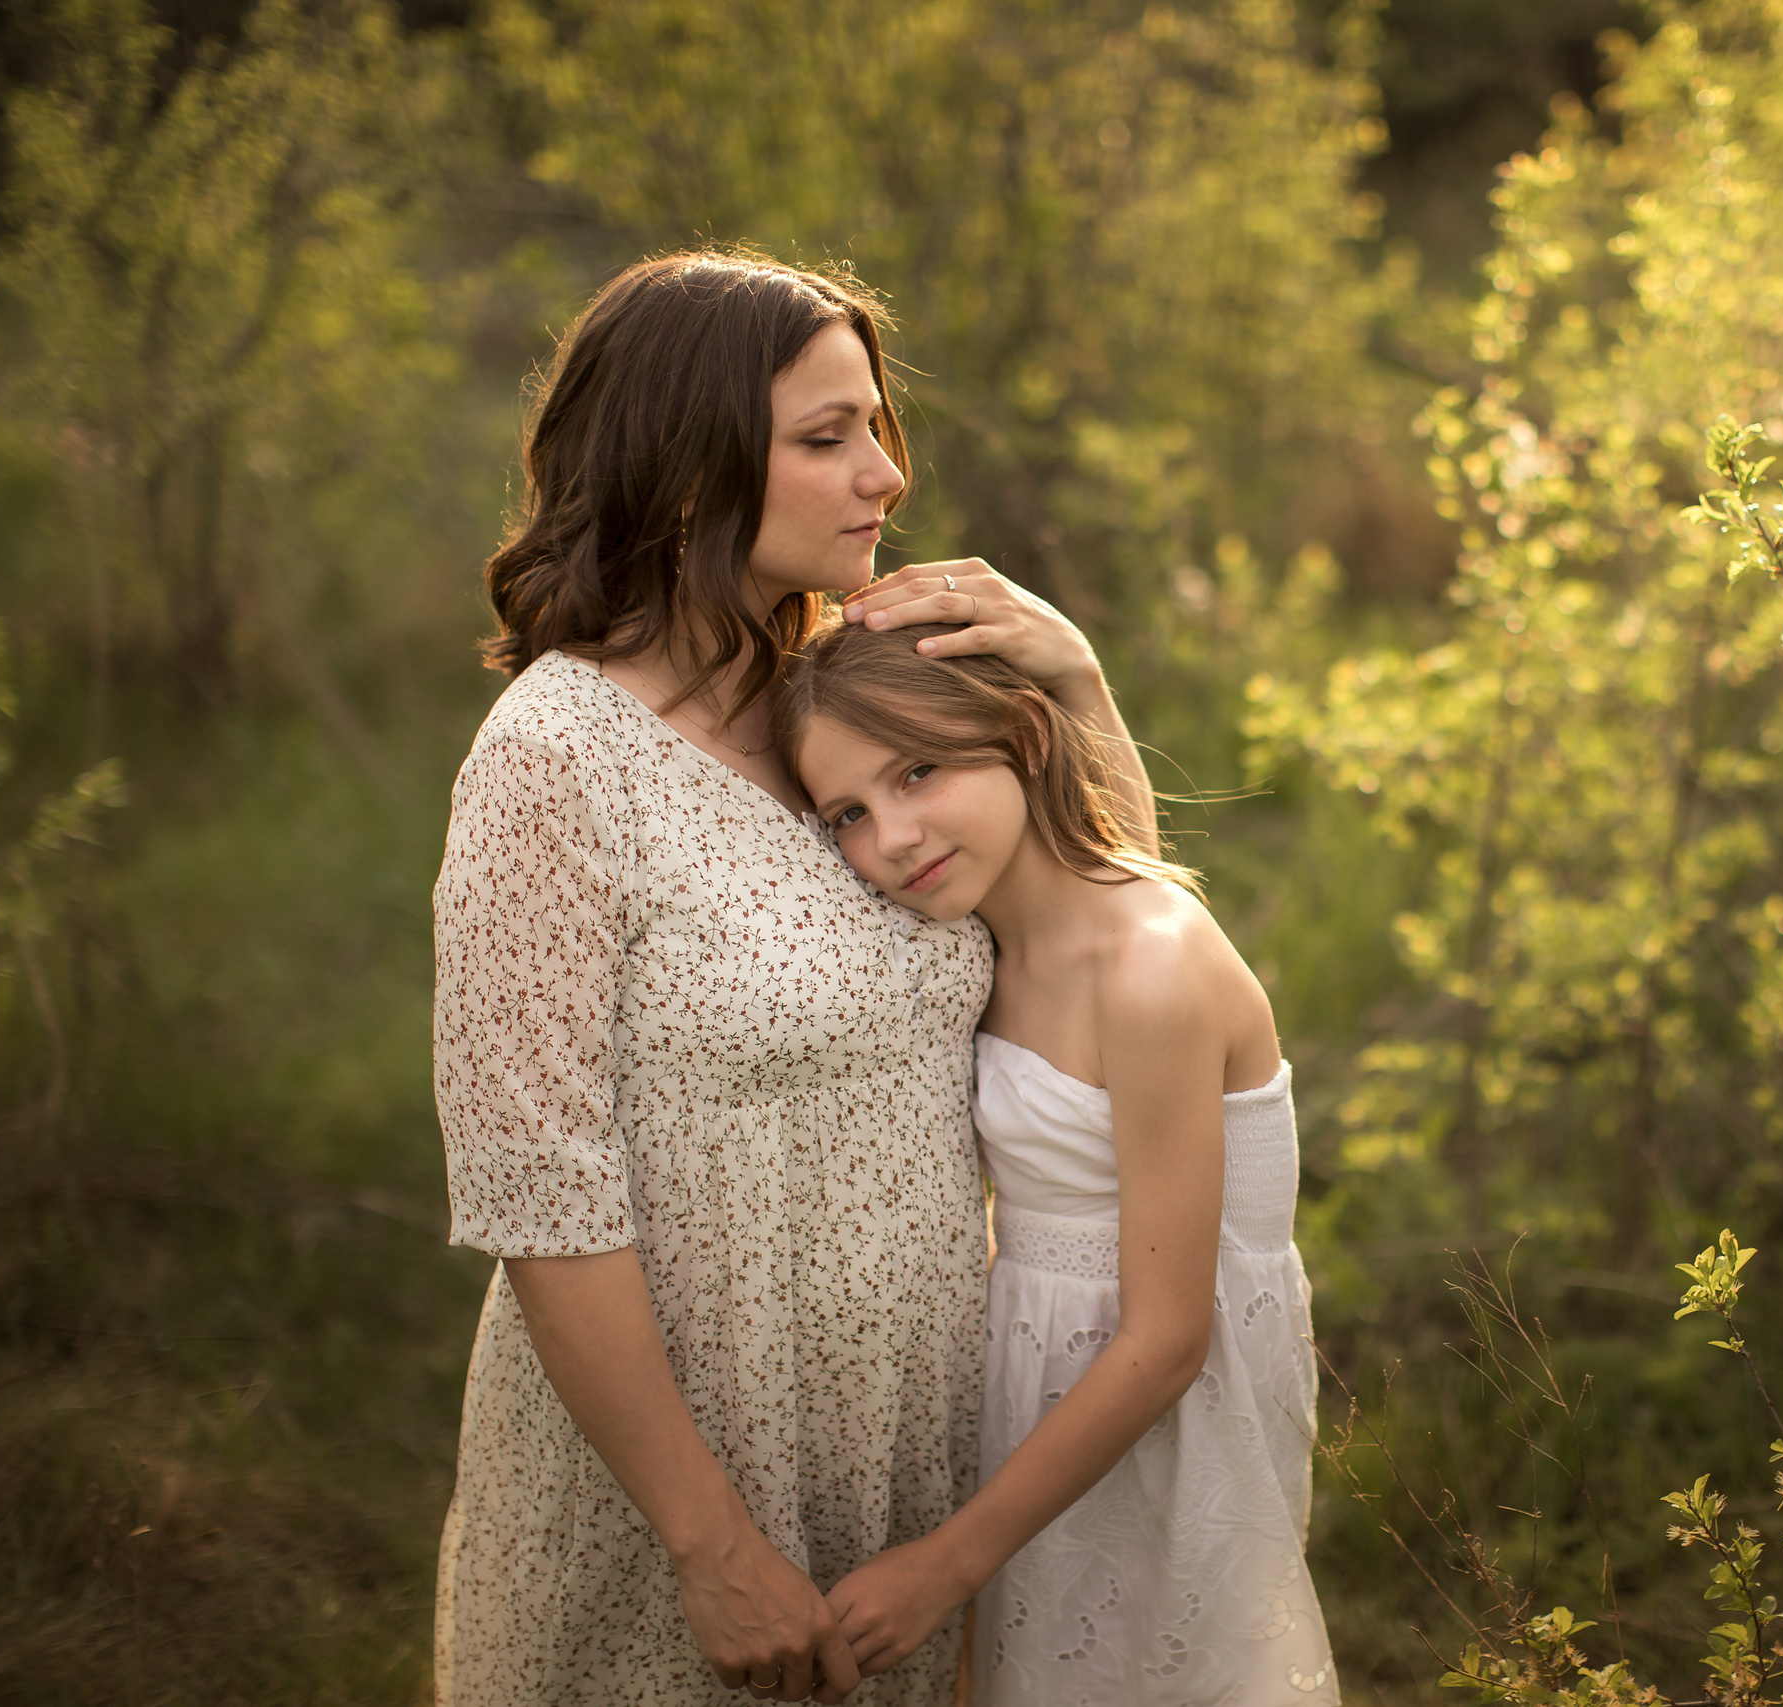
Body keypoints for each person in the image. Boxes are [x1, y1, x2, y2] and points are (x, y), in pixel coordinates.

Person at [431, 247, 1154, 1706]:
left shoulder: (853, 693)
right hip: (690, 1470)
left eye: (876, 426)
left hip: (909, 1447)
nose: (885, 472)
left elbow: (1108, 935)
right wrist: (708, 1540)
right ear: (686, 468)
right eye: (828, 438)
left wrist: (1079, 682)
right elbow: (537, 1187)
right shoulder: (553, 759)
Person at [775, 622, 1339, 1705]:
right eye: (849, 812)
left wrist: (946, 1561)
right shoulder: (982, 941)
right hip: (1039, 1399)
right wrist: (1074, 673)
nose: (892, 835)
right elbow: (1084, 827)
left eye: (919, 771)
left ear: (1023, 737)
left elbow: (1169, 1338)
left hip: (1161, 1413)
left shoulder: (1153, 969)